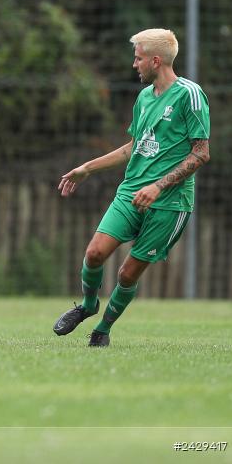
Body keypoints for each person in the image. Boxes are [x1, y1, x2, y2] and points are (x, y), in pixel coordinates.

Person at [53, 28, 210, 347]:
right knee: (95, 253)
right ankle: (88, 305)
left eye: (138, 58)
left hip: (170, 203)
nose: (134, 64)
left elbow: (201, 152)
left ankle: (103, 331)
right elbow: (133, 147)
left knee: (126, 274)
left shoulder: (189, 95)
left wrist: (159, 187)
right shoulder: (143, 98)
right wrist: (87, 168)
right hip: (129, 193)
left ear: (155, 60)